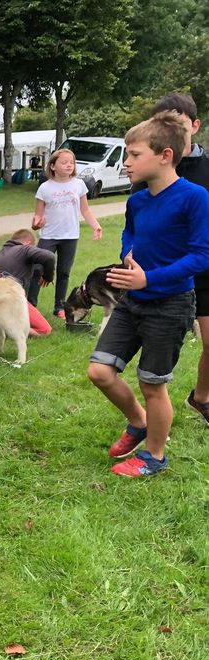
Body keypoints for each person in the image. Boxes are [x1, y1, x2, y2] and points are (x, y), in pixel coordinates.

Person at [87, 112, 209, 477]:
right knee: (99, 371)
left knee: (152, 383)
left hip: (171, 305)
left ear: (165, 155)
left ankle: (154, 455)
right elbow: (130, 233)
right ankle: (139, 422)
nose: (126, 162)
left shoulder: (195, 197)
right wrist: (128, 252)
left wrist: (149, 278)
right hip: (133, 302)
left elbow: (202, 254)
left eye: (134, 154)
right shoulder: (137, 200)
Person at [134, 93, 209, 425]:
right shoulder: (149, 167)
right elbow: (135, 222)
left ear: (194, 125)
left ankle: (201, 398)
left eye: (175, 124)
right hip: (164, 277)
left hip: (203, 270)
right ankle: (151, 409)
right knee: (157, 352)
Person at [30, 148, 103, 317]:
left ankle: (60, 307)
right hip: (48, 236)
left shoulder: (79, 185)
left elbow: (85, 210)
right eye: (64, 162)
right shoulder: (44, 188)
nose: (69, 165)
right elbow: (37, 215)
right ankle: (30, 305)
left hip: (70, 236)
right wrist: (36, 223)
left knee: (64, 272)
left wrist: (96, 226)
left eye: (72, 162)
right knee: (38, 270)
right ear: (53, 166)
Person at [0, 228, 55, 337]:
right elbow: (49, 256)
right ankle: (6, 330)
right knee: (45, 330)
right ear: (28, 243)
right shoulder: (24, 249)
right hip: (10, 297)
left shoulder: (0, 255)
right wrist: (48, 277)